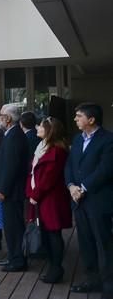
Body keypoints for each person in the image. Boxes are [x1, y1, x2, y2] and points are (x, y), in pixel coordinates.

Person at [65, 103, 113, 297]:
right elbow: (69, 165)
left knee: (104, 244)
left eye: (79, 116)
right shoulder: (77, 139)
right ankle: (91, 280)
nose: (75, 119)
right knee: (85, 243)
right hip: (79, 201)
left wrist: (83, 188)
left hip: (98, 201)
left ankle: (109, 287)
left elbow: (105, 170)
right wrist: (70, 186)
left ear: (91, 119)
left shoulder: (108, 140)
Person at [25, 116, 71, 284]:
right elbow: (34, 174)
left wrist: (35, 195)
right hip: (40, 198)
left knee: (53, 234)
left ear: (49, 131)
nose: (37, 127)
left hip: (51, 199)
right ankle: (52, 266)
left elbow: (49, 178)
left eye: (41, 126)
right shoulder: (42, 147)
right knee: (46, 232)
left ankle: (56, 268)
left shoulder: (57, 151)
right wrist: (32, 193)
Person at [0, 104, 29, 272]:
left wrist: (3, 189)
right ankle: (13, 256)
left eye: (0, 115)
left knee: (14, 227)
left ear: (7, 118)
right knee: (10, 226)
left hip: (11, 192)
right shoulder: (12, 134)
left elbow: (12, 166)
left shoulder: (14, 135)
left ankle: (17, 260)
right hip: (10, 190)